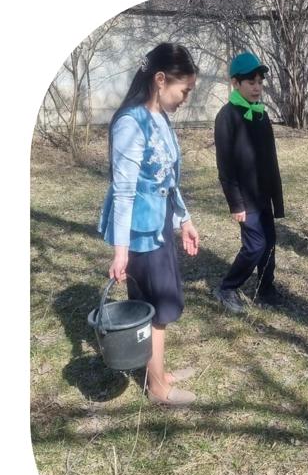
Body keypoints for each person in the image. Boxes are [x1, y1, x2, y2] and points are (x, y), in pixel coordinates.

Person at [97, 42, 201, 407]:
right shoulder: (130, 123)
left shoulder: (160, 118)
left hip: (160, 229)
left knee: (162, 306)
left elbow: (168, 180)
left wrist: (184, 220)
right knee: (155, 308)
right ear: (160, 79)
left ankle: (159, 371)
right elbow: (123, 191)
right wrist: (120, 251)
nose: (186, 97)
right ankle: (157, 387)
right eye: (183, 89)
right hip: (140, 236)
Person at [213, 51, 285, 313]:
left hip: (263, 194)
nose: (257, 87)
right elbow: (226, 166)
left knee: (269, 243)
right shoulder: (227, 117)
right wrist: (235, 203)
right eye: (250, 82)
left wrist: (275, 197)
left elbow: (270, 159)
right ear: (235, 83)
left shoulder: (260, 114)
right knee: (255, 245)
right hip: (245, 197)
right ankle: (228, 287)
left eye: (260, 82)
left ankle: (266, 289)